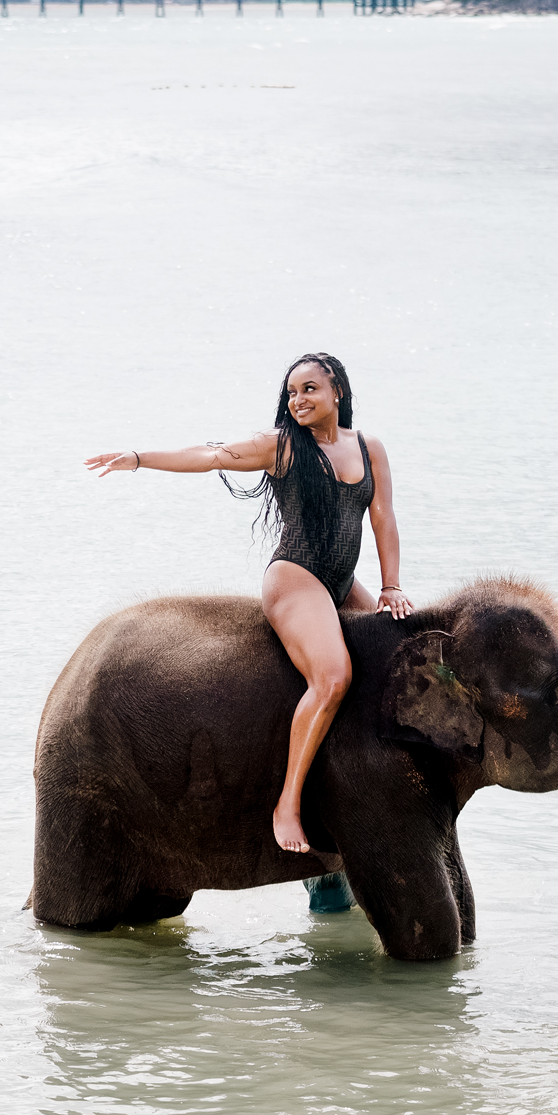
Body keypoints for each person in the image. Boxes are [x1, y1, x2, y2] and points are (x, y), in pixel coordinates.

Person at [84, 352, 411, 855]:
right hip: (296, 577)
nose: (297, 400)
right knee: (333, 678)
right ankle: (288, 805)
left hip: (342, 582)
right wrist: (139, 457)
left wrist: (390, 587)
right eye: (291, 392)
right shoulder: (282, 447)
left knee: (400, 654)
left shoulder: (370, 448)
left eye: (309, 390)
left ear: (337, 393)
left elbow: (383, 517)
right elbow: (211, 454)